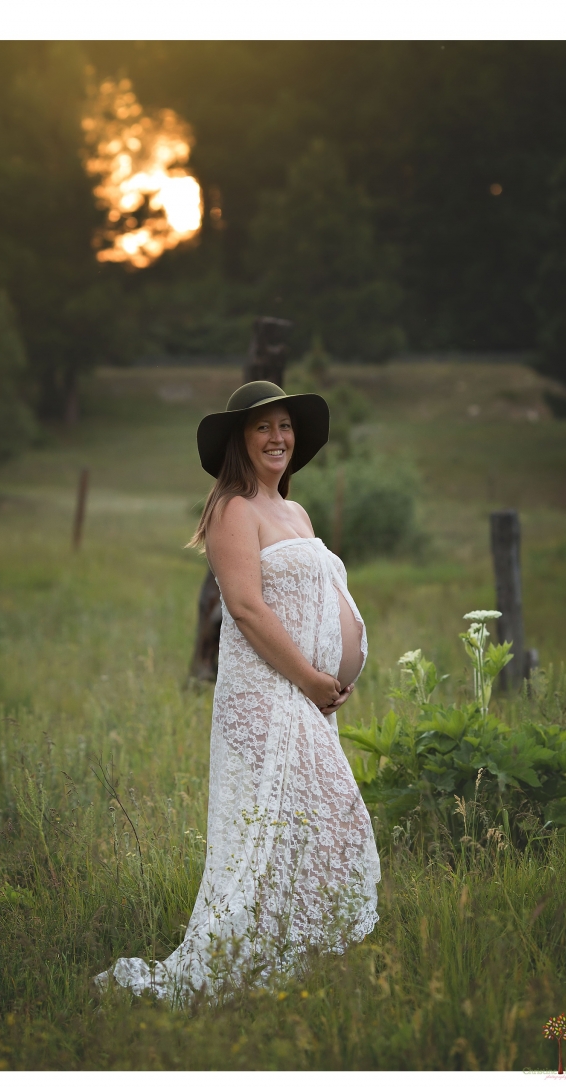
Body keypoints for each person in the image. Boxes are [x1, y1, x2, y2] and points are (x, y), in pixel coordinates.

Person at [95, 381, 380, 1001]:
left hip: (305, 699)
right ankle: (242, 963)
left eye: (285, 426)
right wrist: (310, 678)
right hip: (270, 699)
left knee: (316, 826)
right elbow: (247, 610)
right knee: (284, 832)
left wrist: (334, 673)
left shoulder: (295, 512)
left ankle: (298, 956)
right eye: (263, 428)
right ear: (239, 442)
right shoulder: (233, 509)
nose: (279, 438)